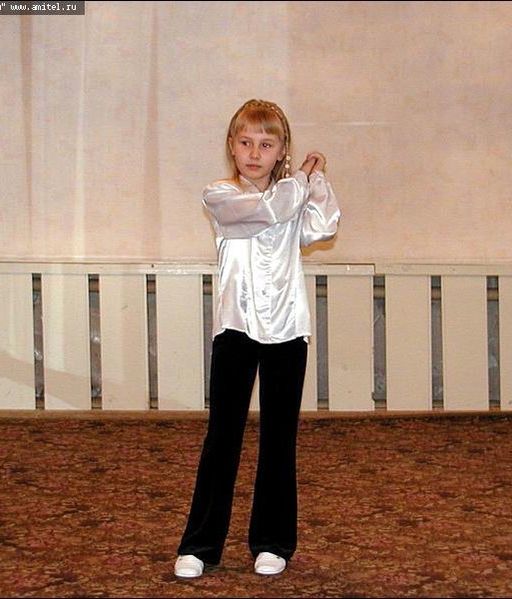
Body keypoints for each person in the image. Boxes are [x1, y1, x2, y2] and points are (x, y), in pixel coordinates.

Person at [174, 98, 340, 578]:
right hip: (236, 328)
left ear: (281, 149)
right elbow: (270, 210)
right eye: (245, 142)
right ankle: (200, 546)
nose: (254, 153)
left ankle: (272, 542)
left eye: (266, 144)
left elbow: (322, 226)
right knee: (222, 436)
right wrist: (302, 178)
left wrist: (317, 181)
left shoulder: (295, 193)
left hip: (287, 329)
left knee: (279, 438)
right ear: (231, 145)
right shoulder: (221, 195)